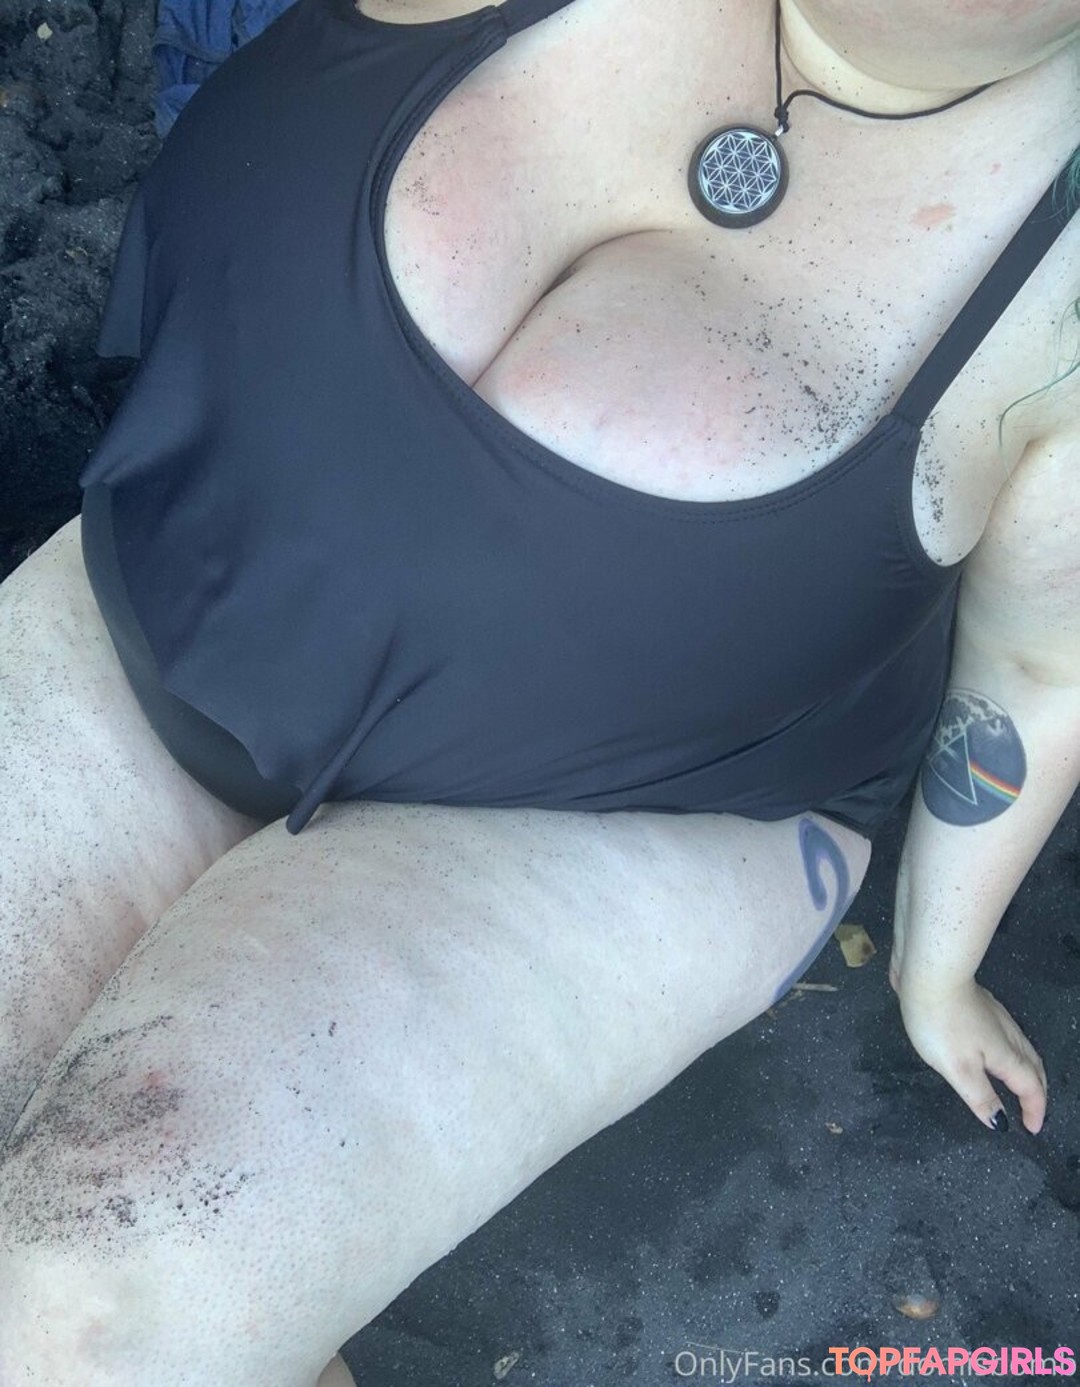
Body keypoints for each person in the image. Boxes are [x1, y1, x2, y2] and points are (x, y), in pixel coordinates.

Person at [1, 0, 1077, 1381]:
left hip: (612, 816)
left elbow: (1041, 663)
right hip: (158, 596)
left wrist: (937, 965)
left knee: (94, 1316)